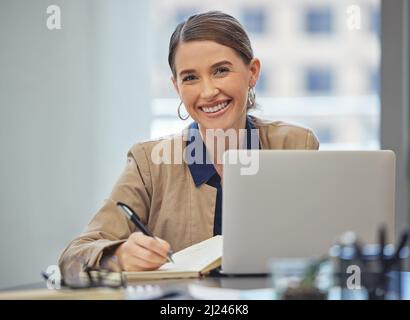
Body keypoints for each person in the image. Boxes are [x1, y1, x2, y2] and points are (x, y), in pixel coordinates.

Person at [59, 11, 319, 274]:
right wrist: (117, 257)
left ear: (252, 72)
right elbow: (73, 256)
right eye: (191, 77)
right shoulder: (149, 162)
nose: (207, 92)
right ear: (177, 87)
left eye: (221, 71)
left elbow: (326, 245)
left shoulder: (296, 145)